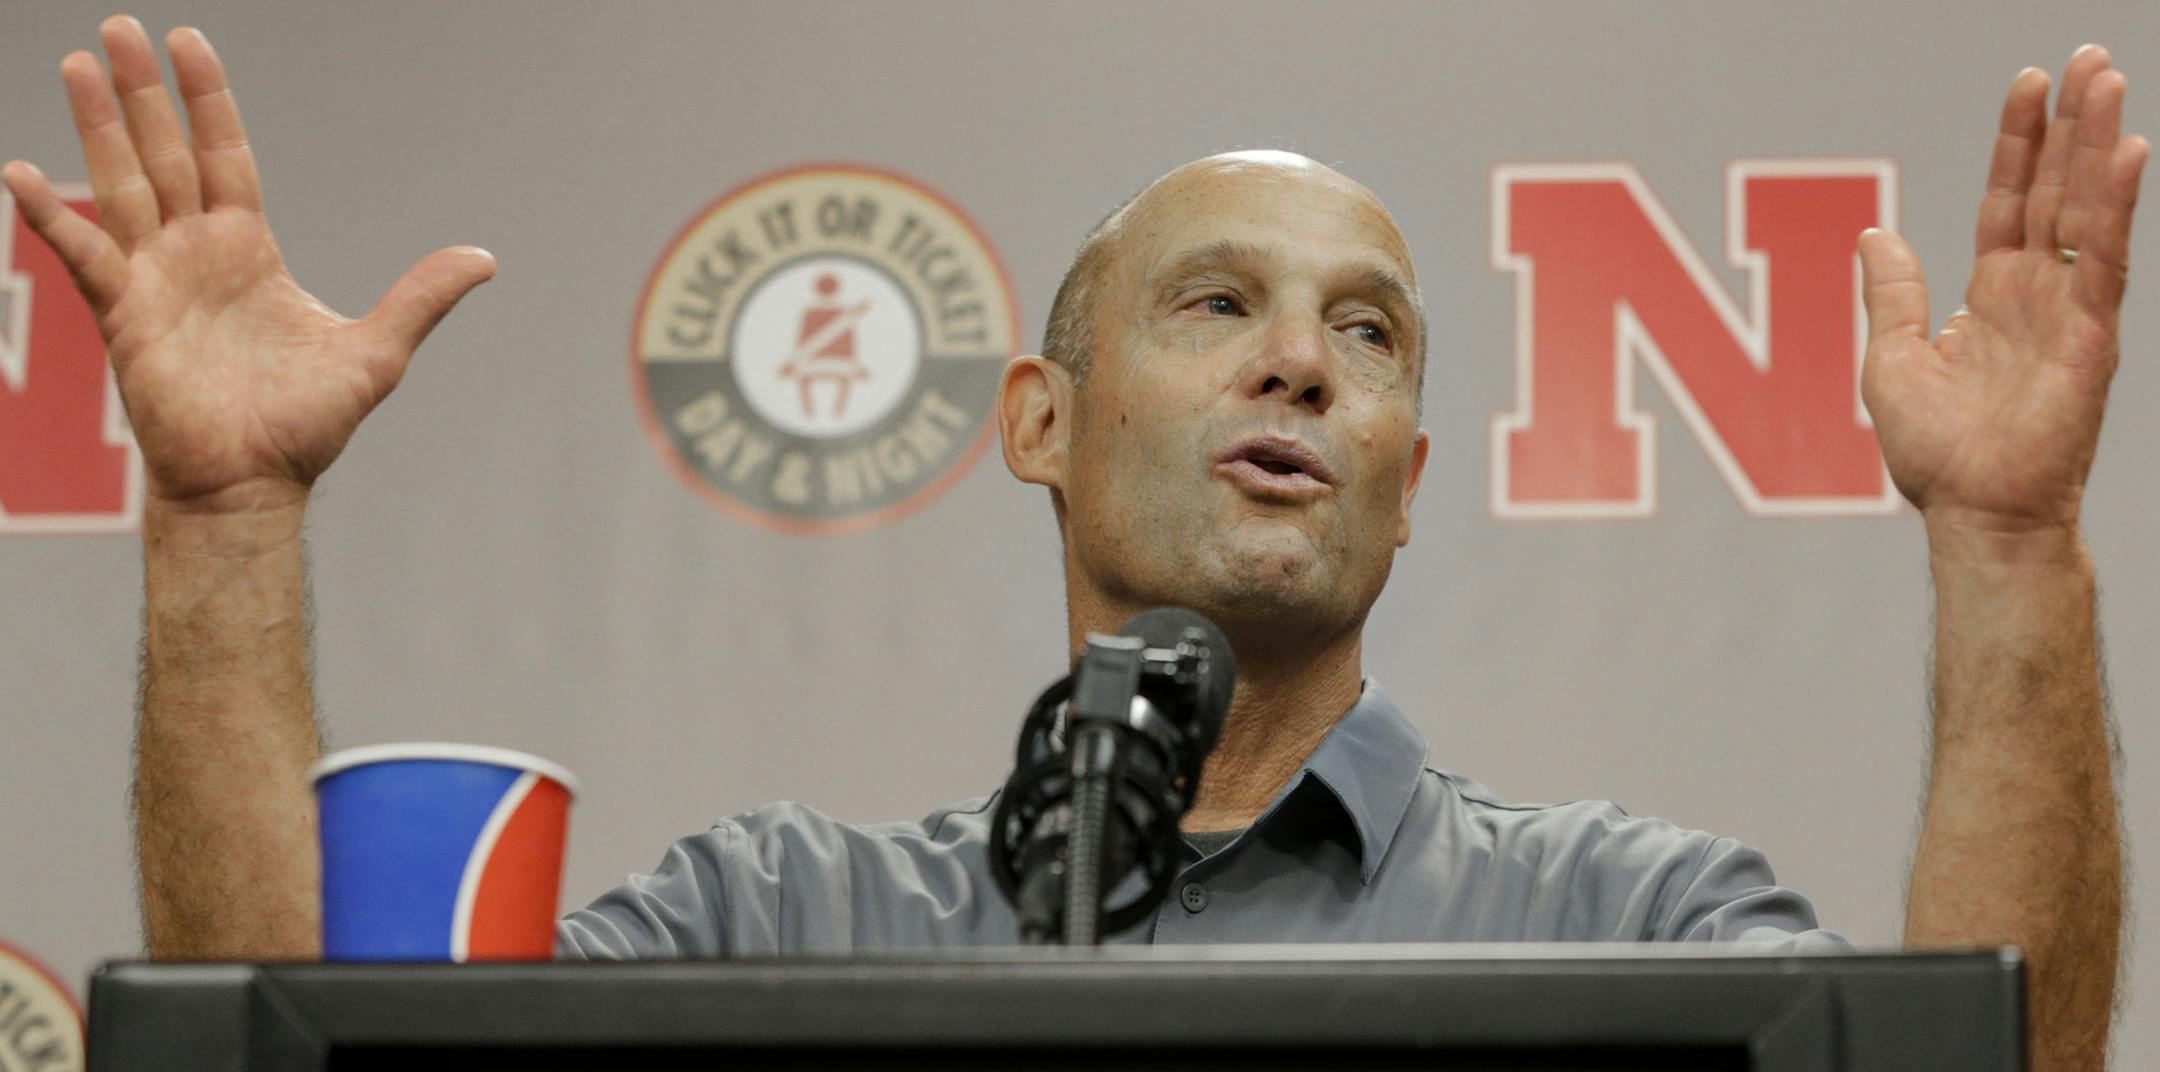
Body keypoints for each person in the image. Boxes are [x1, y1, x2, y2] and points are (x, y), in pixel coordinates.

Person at [3, 15, 2140, 1072]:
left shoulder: (1627, 919)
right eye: (1218, 305)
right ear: (1035, 418)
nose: (1300, 362)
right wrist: (223, 518)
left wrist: (2010, 543)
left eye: (1368, 337)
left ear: (1409, 477)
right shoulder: (782, 915)